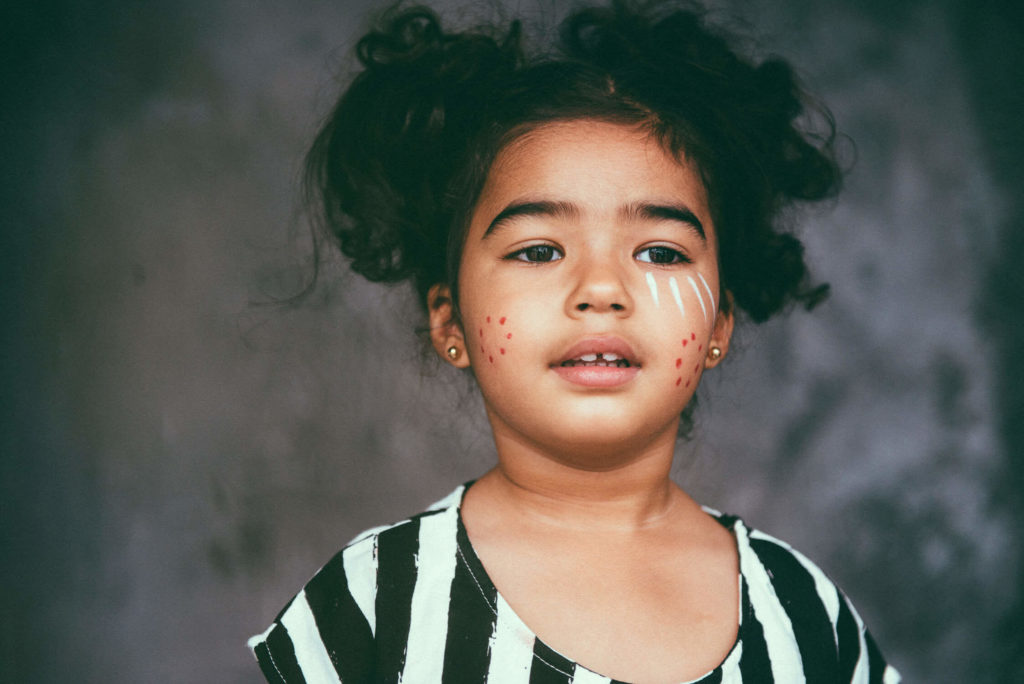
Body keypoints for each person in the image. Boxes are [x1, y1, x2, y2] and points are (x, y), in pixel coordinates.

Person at [248, 1, 900, 681]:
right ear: (449, 320)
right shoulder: (373, 606)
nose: (601, 288)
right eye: (537, 250)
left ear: (719, 325)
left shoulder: (801, 611)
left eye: (659, 252)